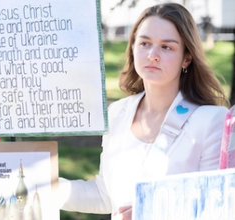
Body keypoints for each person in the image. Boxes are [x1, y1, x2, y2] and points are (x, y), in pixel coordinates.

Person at [58, 3, 229, 220]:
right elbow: (105, 197)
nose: (152, 55)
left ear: (186, 58)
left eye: (167, 47)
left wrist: (151, 210)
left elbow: (218, 206)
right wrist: (41, 186)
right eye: (145, 43)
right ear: (133, 48)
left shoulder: (211, 121)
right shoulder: (117, 113)